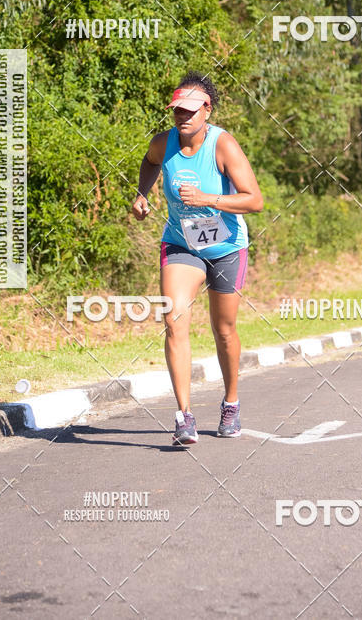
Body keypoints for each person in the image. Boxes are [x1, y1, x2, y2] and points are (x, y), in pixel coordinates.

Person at [132, 71, 263, 446]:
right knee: (173, 320)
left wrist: (208, 199)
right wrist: (142, 194)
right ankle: (184, 416)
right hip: (181, 244)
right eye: (178, 110)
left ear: (207, 110)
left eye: (191, 110)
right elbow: (149, 162)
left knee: (224, 330)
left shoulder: (223, 145)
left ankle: (231, 402)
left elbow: (254, 200)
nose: (183, 117)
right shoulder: (164, 143)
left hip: (226, 247)